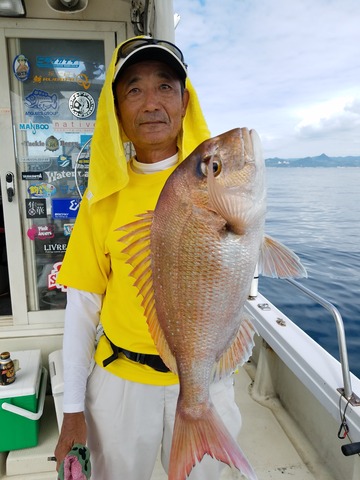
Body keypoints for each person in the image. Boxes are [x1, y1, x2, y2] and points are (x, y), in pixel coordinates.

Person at [54, 36, 242, 480]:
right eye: (134, 89)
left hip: (206, 380)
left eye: (165, 86)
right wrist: (72, 408)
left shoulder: (222, 186)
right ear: (116, 110)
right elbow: (81, 309)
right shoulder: (102, 202)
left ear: (184, 101)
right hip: (121, 384)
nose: (151, 102)